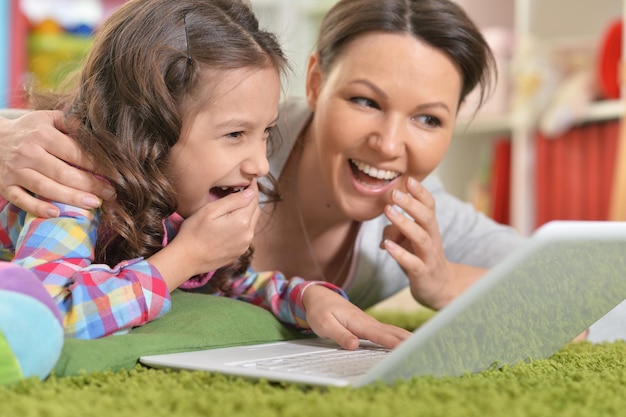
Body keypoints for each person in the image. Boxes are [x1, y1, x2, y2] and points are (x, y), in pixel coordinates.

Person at [0, 0, 527, 349]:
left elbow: (227, 283)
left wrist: (312, 296)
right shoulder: (72, 181)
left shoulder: (195, 189)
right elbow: (46, 312)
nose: (258, 163)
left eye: (428, 118)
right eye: (365, 101)